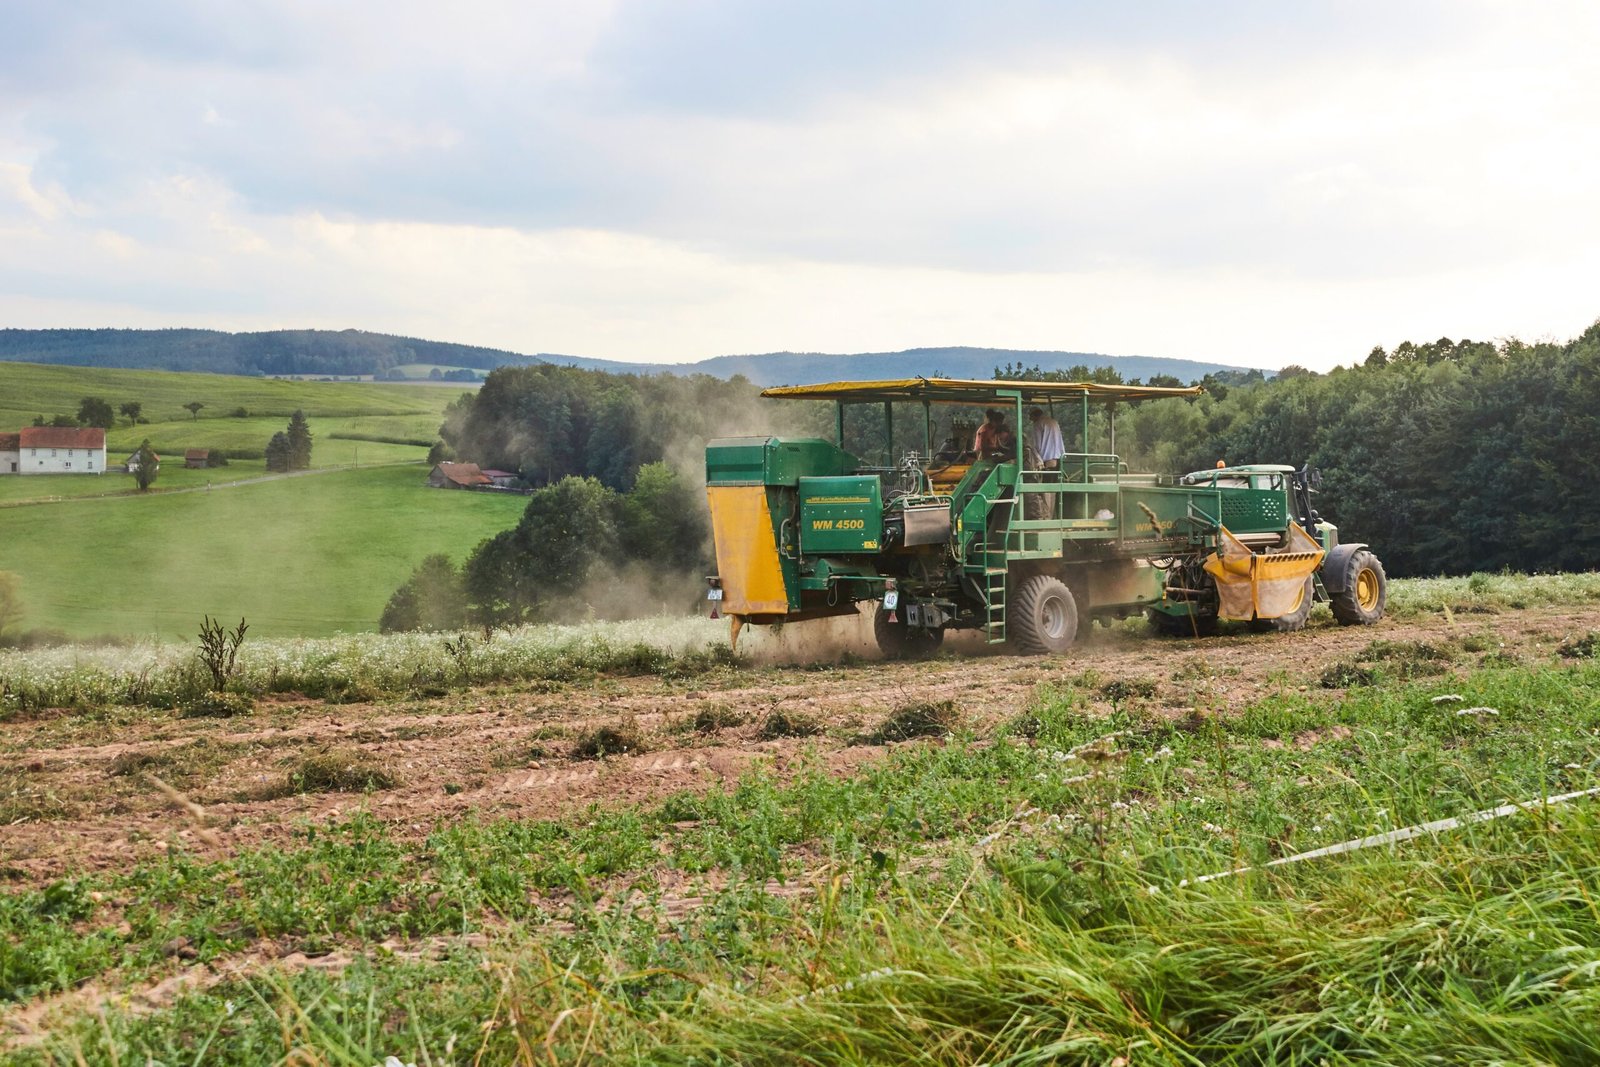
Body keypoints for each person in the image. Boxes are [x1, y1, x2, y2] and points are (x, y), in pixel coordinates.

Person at [1024, 406, 1065, 520]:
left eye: (1030, 416)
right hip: (1058, 458)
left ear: (1034, 416)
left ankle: (1047, 517)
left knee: (1046, 489)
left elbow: (1037, 445)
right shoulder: (1053, 422)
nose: (1030, 419)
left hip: (1047, 460)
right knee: (1054, 489)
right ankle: (1051, 516)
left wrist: (1037, 460)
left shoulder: (1038, 424)